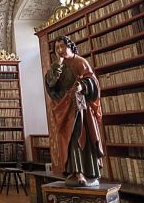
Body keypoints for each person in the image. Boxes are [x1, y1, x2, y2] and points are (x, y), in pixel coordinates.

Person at [45, 35, 104, 187]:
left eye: (62, 46)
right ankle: (75, 171)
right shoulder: (57, 65)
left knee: (80, 136)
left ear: (70, 46)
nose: (60, 50)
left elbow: (92, 81)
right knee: (69, 139)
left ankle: (86, 172)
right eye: (57, 48)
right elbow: (51, 84)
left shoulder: (80, 61)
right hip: (64, 108)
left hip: (79, 107)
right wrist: (58, 65)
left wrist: (82, 86)